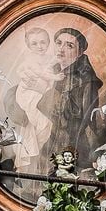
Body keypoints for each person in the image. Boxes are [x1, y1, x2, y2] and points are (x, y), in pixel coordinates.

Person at [40, 27, 103, 169]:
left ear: (80, 53)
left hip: (72, 142)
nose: (61, 49)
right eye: (58, 42)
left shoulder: (86, 81)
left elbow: (86, 119)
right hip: (49, 139)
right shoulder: (50, 70)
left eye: (69, 45)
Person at [10, 26, 64, 168]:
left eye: (43, 42)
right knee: (41, 123)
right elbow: (40, 73)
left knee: (44, 124)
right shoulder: (32, 59)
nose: (39, 46)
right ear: (28, 46)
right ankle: (32, 151)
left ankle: (36, 150)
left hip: (39, 94)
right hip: (27, 95)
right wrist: (55, 77)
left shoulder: (48, 58)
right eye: (34, 43)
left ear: (48, 42)